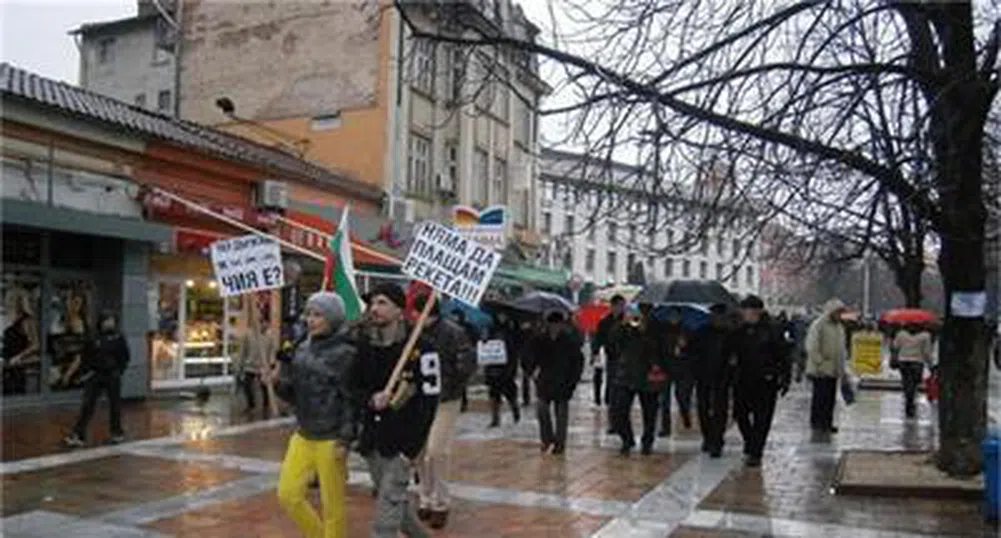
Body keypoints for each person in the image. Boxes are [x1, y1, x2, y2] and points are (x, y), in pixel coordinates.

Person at [265, 292, 357, 538]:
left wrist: (345, 439)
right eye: (309, 314)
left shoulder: (346, 353)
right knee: (288, 494)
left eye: (318, 315)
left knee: (333, 505)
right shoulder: (302, 348)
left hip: (331, 438)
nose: (311, 320)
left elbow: (351, 401)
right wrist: (277, 383)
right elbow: (295, 394)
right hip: (304, 433)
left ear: (333, 318)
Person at [354, 283, 437, 538]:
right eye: (372, 303)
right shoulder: (365, 344)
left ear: (399, 310)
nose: (374, 309)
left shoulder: (422, 348)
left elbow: (429, 402)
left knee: (385, 519)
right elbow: (353, 386)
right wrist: (371, 400)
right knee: (395, 503)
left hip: (402, 443)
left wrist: (410, 450)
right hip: (374, 441)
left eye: (382, 303)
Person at [414, 295, 477, 530]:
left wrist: (450, 382)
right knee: (420, 452)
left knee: (436, 451)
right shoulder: (413, 333)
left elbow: (466, 362)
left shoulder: (453, 333)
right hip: (419, 400)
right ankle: (425, 497)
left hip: (445, 399)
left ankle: (441, 502)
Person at [731, 295, 790, 467]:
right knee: (740, 414)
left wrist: (784, 377)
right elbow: (730, 352)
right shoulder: (739, 331)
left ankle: (756, 451)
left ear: (756, 311)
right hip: (743, 379)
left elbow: (783, 355)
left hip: (765, 380)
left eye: (746, 310)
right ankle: (750, 442)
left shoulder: (772, 330)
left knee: (762, 418)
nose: (743, 313)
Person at [64, 310, 129, 448]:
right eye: (107, 320)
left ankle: (117, 433)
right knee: (88, 404)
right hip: (96, 374)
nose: (109, 323)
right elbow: (84, 357)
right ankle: (78, 434)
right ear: (101, 322)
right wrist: (80, 373)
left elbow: (125, 357)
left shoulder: (118, 338)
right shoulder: (93, 338)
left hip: (112, 375)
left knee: (115, 405)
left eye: (111, 320)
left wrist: (119, 371)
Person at [611, 304, 668, 455]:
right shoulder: (627, 324)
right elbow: (614, 341)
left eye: (646, 309)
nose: (643, 312)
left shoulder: (658, 326)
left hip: (648, 374)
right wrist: (622, 324)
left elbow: (661, 349)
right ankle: (627, 439)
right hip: (627, 373)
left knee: (650, 412)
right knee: (620, 409)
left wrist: (645, 334)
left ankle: (647, 442)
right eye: (641, 309)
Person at [527, 310, 585, 455]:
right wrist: (531, 371)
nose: (555, 327)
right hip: (545, 380)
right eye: (552, 324)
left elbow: (578, 361)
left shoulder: (569, 341)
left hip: (563, 381)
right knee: (542, 410)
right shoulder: (539, 339)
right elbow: (529, 356)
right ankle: (547, 439)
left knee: (561, 415)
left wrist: (573, 380)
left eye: (557, 324)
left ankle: (560, 443)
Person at [689, 304, 734, 458]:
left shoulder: (730, 334)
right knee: (703, 408)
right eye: (715, 316)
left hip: (722, 377)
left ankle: (717, 441)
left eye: (721, 316)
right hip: (703, 376)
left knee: (720, 410)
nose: (718, 319)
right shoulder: (701, 332)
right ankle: (708, 437)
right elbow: (691, 351)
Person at [805, 298, 848, 434]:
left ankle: (827, 422)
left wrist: (842, 367)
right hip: (821, 369)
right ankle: (817, 422)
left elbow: (841, 348)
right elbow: (812, 345)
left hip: (834, 368)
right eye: (838, 312)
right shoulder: (819, 325)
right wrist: (819, 361)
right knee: (820, 397)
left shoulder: (839, 327)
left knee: (830, 398)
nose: (839, 315)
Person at [592, 295, 626, 433]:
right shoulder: (605, 322)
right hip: (612, 358)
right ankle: (613, 423)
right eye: (619, 305)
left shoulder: (627, 321)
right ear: (613, 306)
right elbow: (598, 338)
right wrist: (595, 353)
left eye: (623, 305)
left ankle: (621, 422)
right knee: (612, 390)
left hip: (626, 359)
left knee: (623, 392)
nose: (621, 308)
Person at [235, 307, 277, 414]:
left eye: (265, 322)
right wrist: (239, 366)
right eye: (261, 322)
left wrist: (271, 365)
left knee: (265, 387)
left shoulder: (270, 336)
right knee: (247, 385)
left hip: (263, 366)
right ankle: (251, 405)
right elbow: (243, 351)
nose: (264, 325)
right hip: (250, 365)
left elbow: (272, 351)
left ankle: (266, 405)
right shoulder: (248, 335)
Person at [657, 306, 691, 437]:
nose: (674, 318)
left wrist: (685, 347)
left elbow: (693, 349)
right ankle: (665, 428)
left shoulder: (686, 330)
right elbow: (659, 347)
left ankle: (685, 414)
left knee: (682, 396)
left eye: (676, 316)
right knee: (664, 400)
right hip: (666, 367)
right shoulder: (663, 330)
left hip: (682, 369)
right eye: (671, 315)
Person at [485, 312, 521, 427]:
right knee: (493, 393)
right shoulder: (491, 330)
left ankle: (515, 410)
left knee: (509, 392)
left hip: (507, 365)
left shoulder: (512, 330)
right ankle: (495, 418)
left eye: (504, 315)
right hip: (493, 365)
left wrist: (512, 367)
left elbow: (515, 350)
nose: (502, 317)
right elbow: (486, 346)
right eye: (500, 315)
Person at [891, 323, 934, 418]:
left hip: (903, 361)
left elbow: (895, 347)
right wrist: (930, 364)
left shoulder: (901, 334)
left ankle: (908, 400)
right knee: (914, 383)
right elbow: (927, 352)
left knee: (906, 382)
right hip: (917, 362)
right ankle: (911, 400)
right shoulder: (925, 335)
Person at [3, 286, 40, 395]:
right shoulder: (11, 319)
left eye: (11, 299)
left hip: (20, 369)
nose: (8, 302)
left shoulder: (27, 321)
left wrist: (19, 357)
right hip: (9, 367)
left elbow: (36, 344)